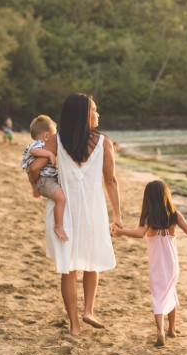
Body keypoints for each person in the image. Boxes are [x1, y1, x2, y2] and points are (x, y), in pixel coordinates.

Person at [29, 94, 122, 336]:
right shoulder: (104, 143)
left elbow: (35, 168)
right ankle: (88, 310)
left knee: (68, 268)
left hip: (65, 210)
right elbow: (110, 180)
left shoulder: (57, 141)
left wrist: (38, 187)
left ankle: (74, 325)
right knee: (92, 261)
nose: (98, 114)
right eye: (94, 110)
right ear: (84, 114)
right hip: (93, 210)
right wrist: (118, 215)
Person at [113, 180, 187, 347]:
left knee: (158, 295)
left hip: (157, 265)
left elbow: (139, 233)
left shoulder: (150, 218)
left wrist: (121, 231)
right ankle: (172, 329)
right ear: (166, 195)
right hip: (172, 264)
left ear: (148, 198)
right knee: (170, 292)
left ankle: (161, 331)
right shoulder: (174, 215)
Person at [20, 115, 68, 241]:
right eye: (54, 135)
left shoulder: (42, 144)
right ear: (47, 136)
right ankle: (58, 226)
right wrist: (49, 153)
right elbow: (33, 152)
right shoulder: (38, 144)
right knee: (61, 199)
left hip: (45, 179)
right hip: (44, 180)